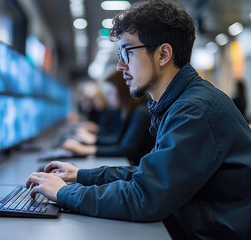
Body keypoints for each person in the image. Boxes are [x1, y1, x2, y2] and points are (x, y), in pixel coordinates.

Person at [25, 0, 251, 239]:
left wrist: (64, 194)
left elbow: (145, 197)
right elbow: (151, 176)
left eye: (127, 52)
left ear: (163, 54)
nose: (121, 65)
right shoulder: (180, 103)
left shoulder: (193, 110)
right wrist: (80, 176)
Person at [63, 71, 154, 165]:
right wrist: (93, 141)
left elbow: (126, 150)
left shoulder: (141, 113)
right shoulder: (130, 112)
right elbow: (119, 141)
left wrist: (86, 149)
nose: (107, 98)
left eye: (110, 93)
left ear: (122, 91)